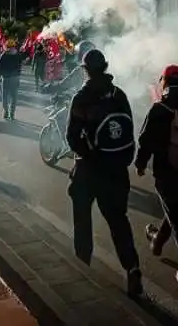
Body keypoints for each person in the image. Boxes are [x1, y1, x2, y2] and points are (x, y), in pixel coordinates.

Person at [65, 48, 142, 297]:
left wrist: (86, 154)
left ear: (86, 70)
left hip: (89, 170)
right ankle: (132, 268)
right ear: (105, 67)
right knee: (119, 221)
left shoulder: (82, 98)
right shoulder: (119, 95)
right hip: (117, 171)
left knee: (82, 220)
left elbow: (72, 137)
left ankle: (82, 269)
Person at [135, 64, 178, 286]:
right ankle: (157, 240)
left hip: (167, 174)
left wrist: (140, 163)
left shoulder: (160, 109)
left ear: (164, 81)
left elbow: (144, 140)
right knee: (173, 208)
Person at [0, 38, 23, 120]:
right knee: (14, 97)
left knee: (4, 96)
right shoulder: (18, 55)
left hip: (6, 78)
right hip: (15, 78)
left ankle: (6, 111)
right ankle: (12, 114)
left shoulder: (4, 55)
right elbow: (20, 66)